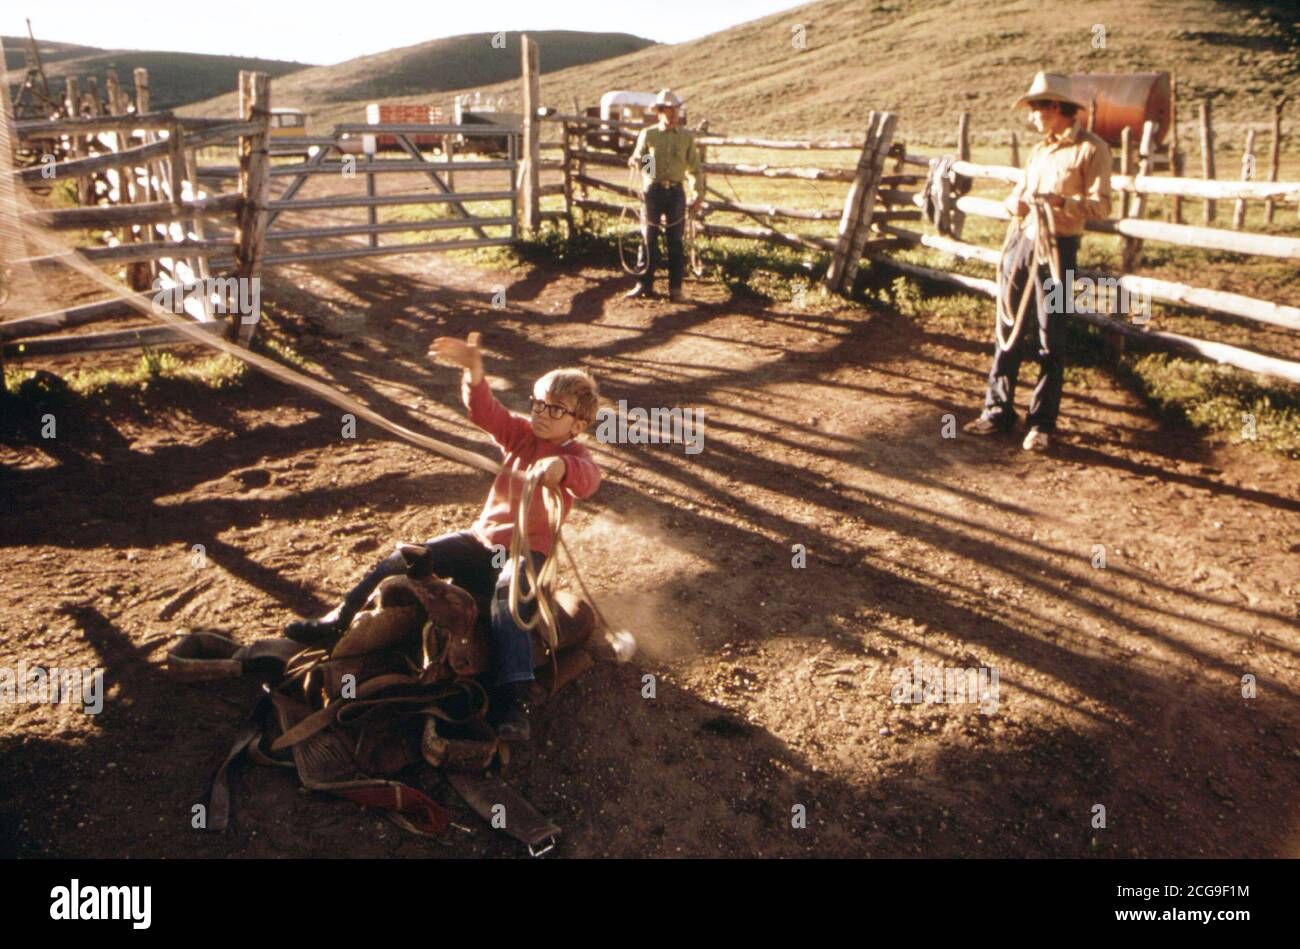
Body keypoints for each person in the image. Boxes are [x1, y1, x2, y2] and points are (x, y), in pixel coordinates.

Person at [284, 332, 602, 741]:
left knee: (510, 601)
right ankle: (338, 620)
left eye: (555, 409)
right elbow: (487, 413)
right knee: (403, 559)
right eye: (537, 402)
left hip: (526, 553)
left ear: (579, 424)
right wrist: (474, 371)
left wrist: (559, 470)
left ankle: (513, 699)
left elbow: (588, 481)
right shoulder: (521, 434)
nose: (540, 412)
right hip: (480, 540)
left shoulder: (576, 458)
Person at [964, 72, 1113, 452]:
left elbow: (1102, 205)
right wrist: (1014, 204)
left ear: (1055, 108)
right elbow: (1019, 194)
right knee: (1008, 325)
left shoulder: (1091, 149)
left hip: (1059, 249)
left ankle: (1042, 423)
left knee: (1052, 334)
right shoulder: (1039, 151)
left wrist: (1063, 203)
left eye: (1036, 110)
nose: (1033, 118)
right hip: (1023, 243)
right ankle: (996, 411)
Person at [625, 89, 702, 303]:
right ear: (660, 111)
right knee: (648, 238)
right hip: (653, 192)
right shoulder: (649, 135)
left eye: (675, 109)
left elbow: (693, 169)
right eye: (668, 109)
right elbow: (644, 158)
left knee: (675, 241)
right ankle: (643, 284)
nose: (672, 114)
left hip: (676, 192)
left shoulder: (686, 138)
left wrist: (697, 194)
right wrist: (638, 164)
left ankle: (675, 289)